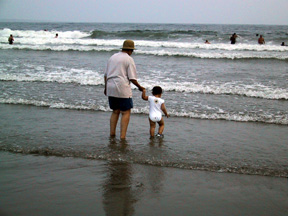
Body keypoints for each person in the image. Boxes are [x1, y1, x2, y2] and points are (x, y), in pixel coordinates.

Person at [104, 39, 145, 139]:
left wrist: (106, 88)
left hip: (110, 86)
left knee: (115, 111)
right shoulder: (128, 59)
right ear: (130, 50)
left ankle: (112, 133)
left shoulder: (112, 57)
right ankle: (122, 136)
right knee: (125, 111)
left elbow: (106, 75)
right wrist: (140, 87)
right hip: (122, 87)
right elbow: (132, 78)